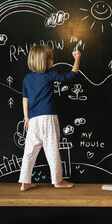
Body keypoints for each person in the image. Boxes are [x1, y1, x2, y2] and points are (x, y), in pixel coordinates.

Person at [18, 45, 81, 191]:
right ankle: (57, 181)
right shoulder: (48, 75)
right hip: (48, 118)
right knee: (52, 150)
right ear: (44, 61)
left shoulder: (27, 78)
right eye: (51, 59)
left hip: (33, 120)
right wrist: (77, 59)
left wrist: (26, 118)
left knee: (29, 152)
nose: (53, 61)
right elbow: (71, 76)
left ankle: (25, 182)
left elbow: (24, 99)